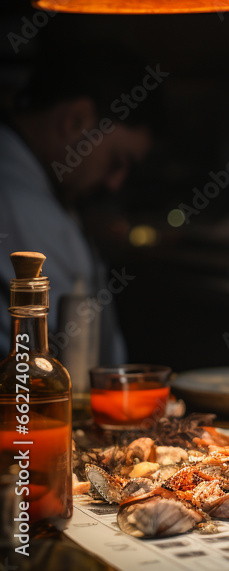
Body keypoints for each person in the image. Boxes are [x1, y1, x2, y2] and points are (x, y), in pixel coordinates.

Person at [0, 43, 157, 364]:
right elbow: (71, 359)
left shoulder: (38, 190)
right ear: (76, 120)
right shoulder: (19, 202)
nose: (115, 183)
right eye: (116, 160)